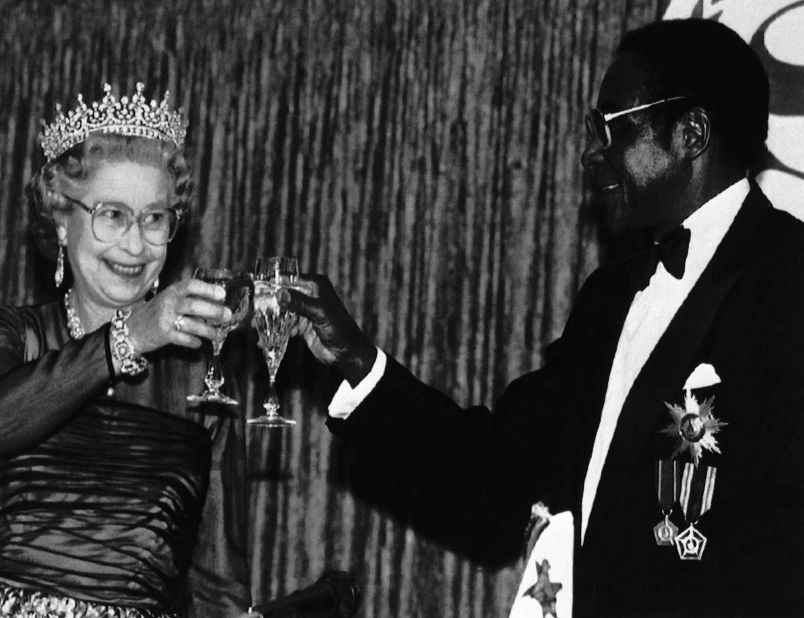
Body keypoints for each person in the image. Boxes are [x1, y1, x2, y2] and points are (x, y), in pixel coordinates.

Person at [285, 19, 804, 617]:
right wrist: (357, 359)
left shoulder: (790, 287)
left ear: (690, 133)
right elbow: (494, 475)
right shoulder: (609, 299)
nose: (589, 154)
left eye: (608, 128)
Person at [0, 83, 255, 617]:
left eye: (154, 218)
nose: (136, 245)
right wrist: (129, 337)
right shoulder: (16, 336)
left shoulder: (203, 382)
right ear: (61, 219)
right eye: (113, 214)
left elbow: (217, 586)